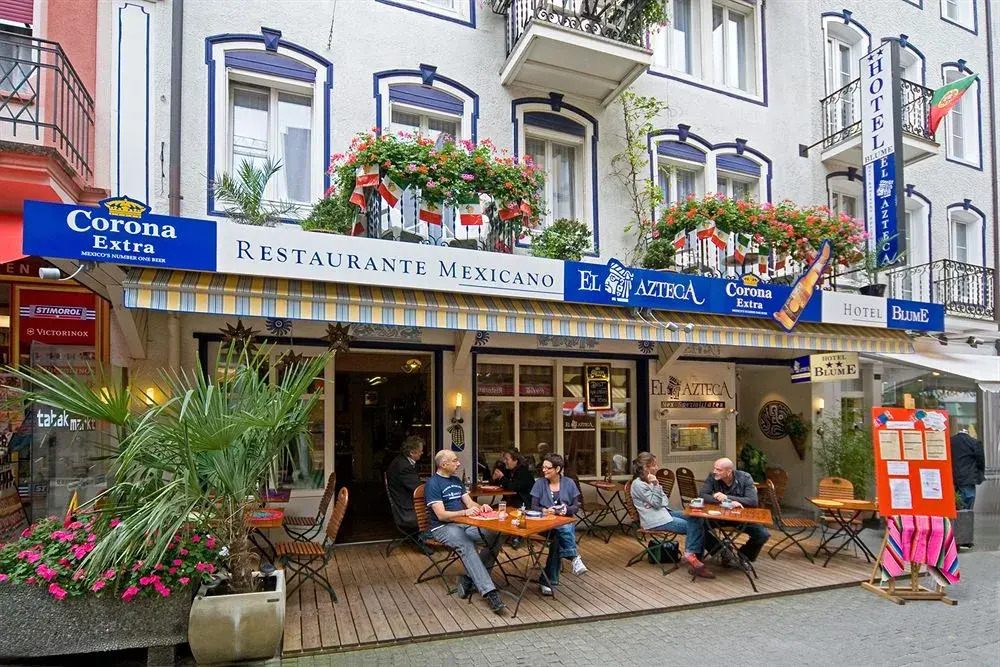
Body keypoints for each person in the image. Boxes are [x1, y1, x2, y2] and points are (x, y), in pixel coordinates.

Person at [425, 449, 506, 613]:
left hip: (464, 524)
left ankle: (469, 578)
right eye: (455, 460)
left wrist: (480, 507)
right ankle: (490, 592)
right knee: (466, 544)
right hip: (443, 527)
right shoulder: (433, 484)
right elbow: (441, 515)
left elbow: (470, 504)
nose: (458, 463)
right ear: (443, 464)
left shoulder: (456, 481)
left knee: (496, 534)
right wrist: (464, 513)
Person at [630, 453, 716, 578]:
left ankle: (706, 555)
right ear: (646, 468)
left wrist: (656, 490)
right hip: (655, 520)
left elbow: (664, 501)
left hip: (664, 513)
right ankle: (695, 558)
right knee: (694, 526)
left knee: (697, 516)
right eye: (654, 465)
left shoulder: (649, 481)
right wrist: (656, 485)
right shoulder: (639, 484)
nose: (657, 467)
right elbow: (657, 503)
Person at [530, 453, 587, 595]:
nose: (544, 470)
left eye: (548, 468)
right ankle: (574, 557)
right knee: (563, 530)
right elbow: (534, 506)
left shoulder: (569, 483)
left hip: (563, 523)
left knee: (557, 540)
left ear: (557, 469)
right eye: (543, 467)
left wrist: (565, 510)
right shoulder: (539, 483)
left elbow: (576, 507)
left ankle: (547, 580)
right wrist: (545, 510)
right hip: (544, 525)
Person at [699, 457, 770, 563]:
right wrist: (725, 502)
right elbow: (703, 495)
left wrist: (727, 498)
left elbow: (753, 501)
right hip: (718, 516)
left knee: (762, 534)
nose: (715, 471)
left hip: (741, 518)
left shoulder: (745, 478)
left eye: (719, 470)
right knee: (697, 526)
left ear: (729, 471)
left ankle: (744, 555)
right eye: (714, 468)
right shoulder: (713, 477)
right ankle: (721, 550)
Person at [386, 435, 424, 528]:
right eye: (420, 451)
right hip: (407, 510)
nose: (422, 453)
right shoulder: (404, 467)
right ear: (412, 453)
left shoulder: (400, 461)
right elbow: (419, 490)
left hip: (403, 503)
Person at [951, 425, 986, 513]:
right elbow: (980, 460)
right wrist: (980, 472)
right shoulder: (974, 442)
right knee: (968, 501)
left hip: (953, 477)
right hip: (968, 477)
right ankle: (966, 518)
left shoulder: (950, 441)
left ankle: (957, 518)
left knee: (955, 502)